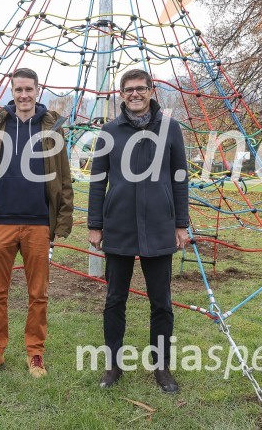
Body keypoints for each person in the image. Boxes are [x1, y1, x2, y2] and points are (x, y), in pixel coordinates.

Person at [0, 67, 74, 378]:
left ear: (37, 91)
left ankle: (35, 353)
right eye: (18, 90)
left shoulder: (52, 127)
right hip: (1, 222)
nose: (24, 95)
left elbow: (64, 177)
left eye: (29, 89)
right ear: (12, 92)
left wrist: (63, 220)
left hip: (39, 223)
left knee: (38, 293)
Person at [87, 68, 190, 393]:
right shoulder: (109, 131)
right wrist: (95, 224)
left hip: (159, 226)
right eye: (128, 89)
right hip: (118, 227)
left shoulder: (170, 129)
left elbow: (180, 178)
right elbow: (97, 181)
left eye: (140, 88)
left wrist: (181, 224)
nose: (134, 93)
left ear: (150, 91)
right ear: (122, 94)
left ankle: (162, 368)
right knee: (115, 300)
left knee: (161, 302)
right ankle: (113, 365)